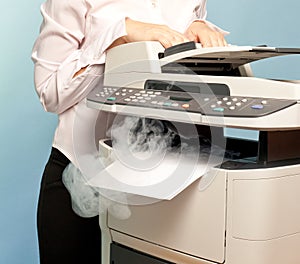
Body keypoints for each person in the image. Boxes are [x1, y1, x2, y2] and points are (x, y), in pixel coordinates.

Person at [31, 0, 228, 263]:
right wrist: (117, 38)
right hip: (81, 178)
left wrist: (199, 30)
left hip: (165, 184)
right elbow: (50, 93)